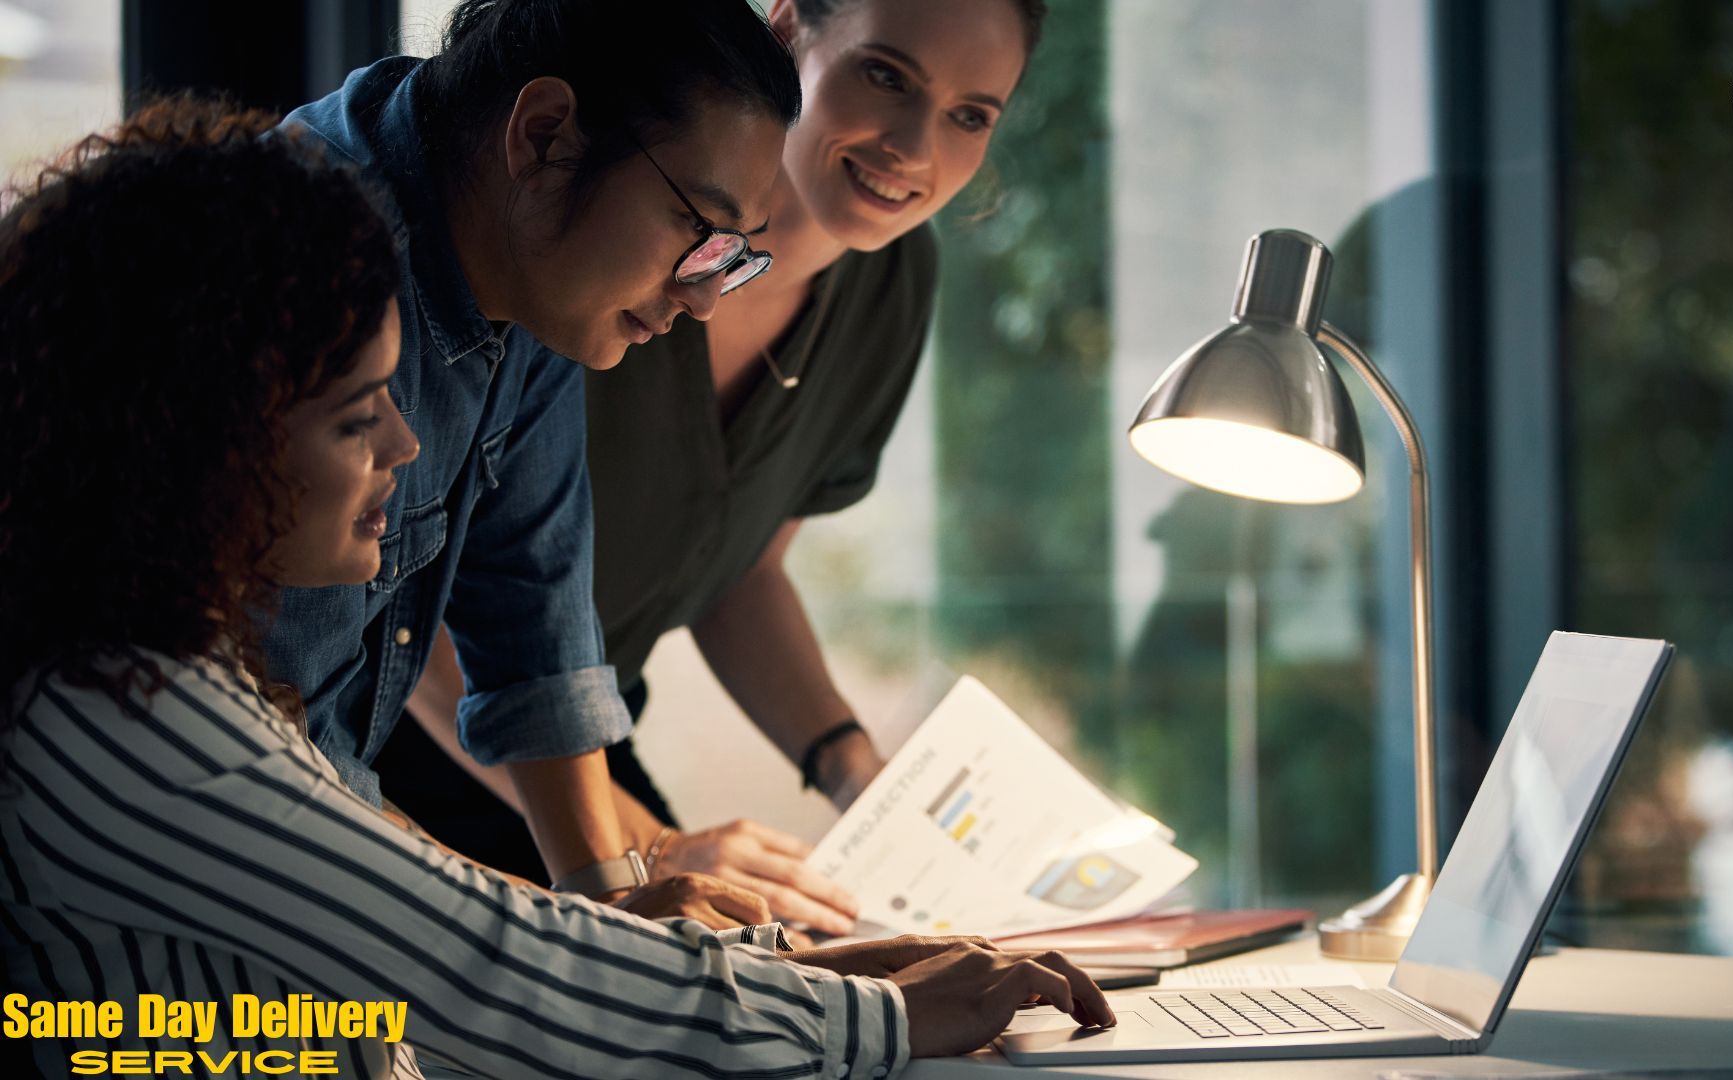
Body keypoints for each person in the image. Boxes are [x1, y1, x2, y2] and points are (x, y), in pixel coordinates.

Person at [0, 100, 1112, 1080]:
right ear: (197, 443)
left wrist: (767, 966)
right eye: (354, 417)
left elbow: (395, 959)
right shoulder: (123, 714)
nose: (404, 441)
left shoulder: (180, 674)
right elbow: (470, 965)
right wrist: (864, 1020)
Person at [392, 0, 1046, 939]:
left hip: (569, 746)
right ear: (787, 37)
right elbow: (424, 619)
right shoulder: (575, 259)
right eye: (886, 76)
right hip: (430, 748)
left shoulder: (885, 284)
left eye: (972, 115)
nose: (914, 145)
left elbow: (725, 571)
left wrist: (857, 776)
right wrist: (648, 858)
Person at [261, 0, 802, 906]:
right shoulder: (312, 274)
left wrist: (618, 903)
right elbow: (271, 769)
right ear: (544, 134)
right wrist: (596, 951)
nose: (705, 299)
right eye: (697, 230)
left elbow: (535, 626)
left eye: (731, 256)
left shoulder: (530, 272)